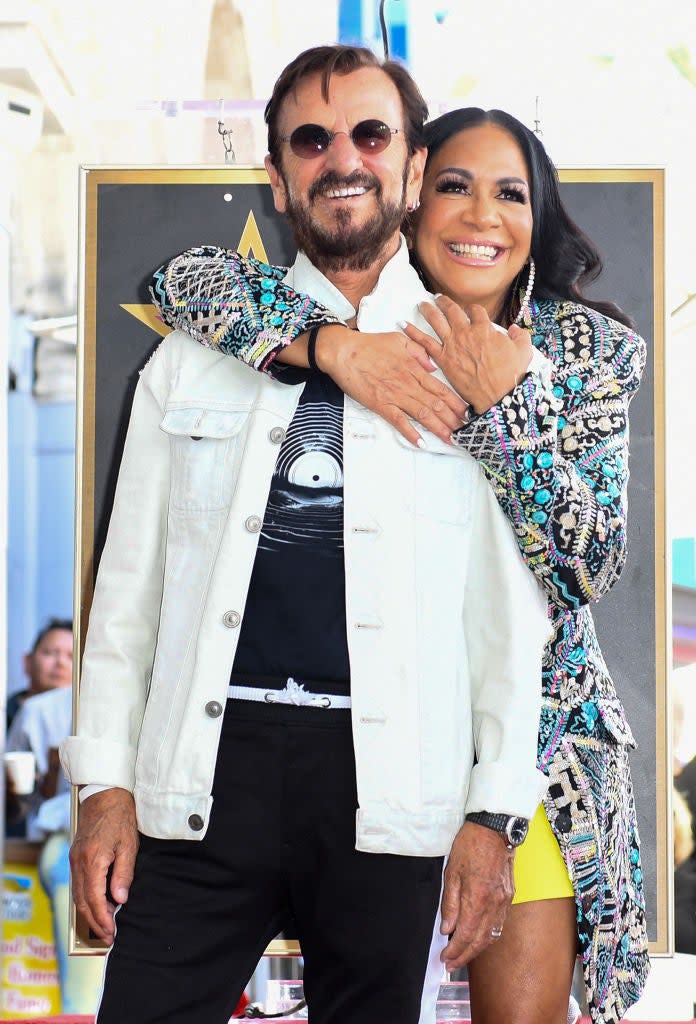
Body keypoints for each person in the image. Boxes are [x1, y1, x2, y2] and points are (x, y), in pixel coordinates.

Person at [60, 46, 551, 1024]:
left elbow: (509, 624)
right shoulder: (190, 363)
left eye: (372, 134)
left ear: (412, 172)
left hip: (390, 785)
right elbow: (127, 598)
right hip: (203, 776)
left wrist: (492, 814)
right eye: (312, 140)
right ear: (279, 178)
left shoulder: (481, 370)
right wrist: (101, 785)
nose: (344, 158)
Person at [151, 105, 650, 1022]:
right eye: (454, 186)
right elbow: (185, 282)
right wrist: (339, 349)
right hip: (351, 742)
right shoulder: (354, 317)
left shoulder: (590, 354)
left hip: (533, 752)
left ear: (538, 217)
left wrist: (503, 410)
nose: (481, 215)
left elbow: (586, 566)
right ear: (414, 195)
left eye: (510, 193)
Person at [6, 682, 105, 1014]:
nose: (61, 662)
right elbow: (17, 804)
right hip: (67, 838)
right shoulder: (42, 710)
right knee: (75, 873)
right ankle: (79, 1012)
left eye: (67, 653)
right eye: (51, 652)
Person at [6, 618, 73, 730]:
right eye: (50, 653)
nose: (61, 663)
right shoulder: (4, 715)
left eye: (71, 656)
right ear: (27, 662)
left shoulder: (81, 723)